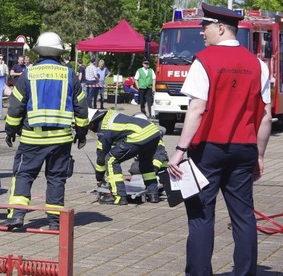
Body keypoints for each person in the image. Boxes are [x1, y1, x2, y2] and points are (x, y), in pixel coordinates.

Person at [166, 3, 271, 275]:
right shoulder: (258, 64)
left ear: (221, 28)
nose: (202, 32)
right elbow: (265, 117)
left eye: (205, 26)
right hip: (244, 150)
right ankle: (246, 272)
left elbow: (197, 109)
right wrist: (259, 155)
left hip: (208, 151)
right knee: (244, 217)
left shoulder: (205, 60)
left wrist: (179, 150)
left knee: (201, 216)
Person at [0, 32, 89, 231]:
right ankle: (55, 222)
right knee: (57, 178)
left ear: (39, 51)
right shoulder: (69, 74)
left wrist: (10, 129)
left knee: (23, 174)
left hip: (32, 137)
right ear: (59, 53)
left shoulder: (28, 73)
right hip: (62, 139)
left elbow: (15, 106)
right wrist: (82, 132)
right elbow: (81, 107)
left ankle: (16, 215)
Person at [88, 108, 161, 205]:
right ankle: (153, 194)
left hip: (139, 135)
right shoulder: (110, 114)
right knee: (145, 162)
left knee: (111, 159)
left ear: (91, 123)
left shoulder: (103, 129)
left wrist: (99, 177)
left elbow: (102, 155)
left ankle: (119, 196)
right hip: (153, 131)